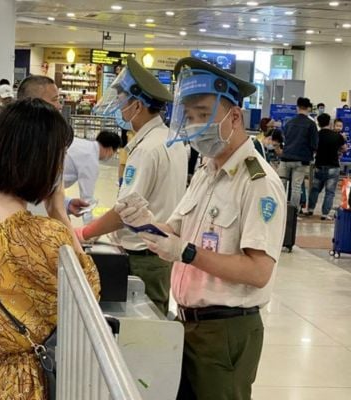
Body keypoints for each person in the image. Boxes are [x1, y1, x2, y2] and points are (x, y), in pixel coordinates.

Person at [116, 57, 285, 400]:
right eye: (189, 117)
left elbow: (258, 271)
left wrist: (187, 253)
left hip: (225, 330)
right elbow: (174, 230)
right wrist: (143, 224)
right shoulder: (207, 171)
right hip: (187, 323)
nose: (195, 126)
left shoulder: (257, 182)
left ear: (234, 116)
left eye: (204, 115)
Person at [0, 98, 100, 399]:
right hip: (22, 384)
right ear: (42, 161)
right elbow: (88, 292)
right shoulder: (40, 235)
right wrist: (58, 212)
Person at [77, 56, 188, 315]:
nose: (119, 107)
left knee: (142, 330)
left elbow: (124, 213)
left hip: (142, 258)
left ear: (138, 105)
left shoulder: (148, 148)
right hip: (157, 255)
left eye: (123, 101)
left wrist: (84, 234)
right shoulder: (171, 139)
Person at [16, 75, 88, 252]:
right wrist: (81, 259)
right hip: (34, 242)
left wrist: (66, 202)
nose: (59, 105)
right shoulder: (43, 147)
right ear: (36, 103)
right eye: (55, 100)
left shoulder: (14, 139)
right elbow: (53, 208)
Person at [63, 130, 122, 222]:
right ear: (110, 149)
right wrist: (88, 224)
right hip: (46, 186)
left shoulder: (84, 144)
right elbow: (87, 197)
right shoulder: (91, 159)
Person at [278, 97, 318, 209]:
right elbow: (314, 144)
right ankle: (293, 212)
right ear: (309, 109)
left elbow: (284, 138)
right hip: (301, 159)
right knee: (296, 187)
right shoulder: (311, 124)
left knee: (281, 184)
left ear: (297, 107)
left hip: (286, 157)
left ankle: (280, 209)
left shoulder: (289, 122)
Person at [306, 113, 347, 220]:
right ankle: (324, 214)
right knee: (330, 192)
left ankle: (310, 209)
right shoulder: (337, 136)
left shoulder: (316, 135)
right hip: (333, 166)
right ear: (330, 123)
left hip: (319, 165)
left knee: (315, 189)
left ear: (318, 123)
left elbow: (313, 148)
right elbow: (344, 148)